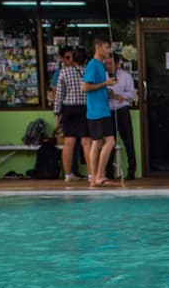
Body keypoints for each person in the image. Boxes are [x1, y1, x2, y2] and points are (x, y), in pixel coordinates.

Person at [82, 37, 119, 188]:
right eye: (106, 47)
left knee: (97, 142)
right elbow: (85, 87)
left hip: (99, 108)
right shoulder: (93, 64)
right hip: (98, 110)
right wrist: (106, 83)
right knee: (109, 142)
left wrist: (108, 90)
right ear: (97, 47)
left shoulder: (100, 65)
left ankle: (94, 178)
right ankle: (99, 175)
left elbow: (96, 87)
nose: (109, 51)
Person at [53, 45, 87, 183]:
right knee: (87, 142)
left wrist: (57, 112)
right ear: (85, 60)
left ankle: (68, 174)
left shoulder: (64, 72)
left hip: (69, 108)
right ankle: (91, 174)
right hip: (85, 107)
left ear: (73, 59)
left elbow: (59, 95)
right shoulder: (88, 72)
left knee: (68, 143)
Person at [105, 57, 138, 180]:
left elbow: (131, 94)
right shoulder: (103, 76)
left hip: (122, 110)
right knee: (109, 142)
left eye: (110, 63)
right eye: (106, 63)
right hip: (108, 111)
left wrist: (120, 95)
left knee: (128, 141)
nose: (108, 66)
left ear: (117, 64)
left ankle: (131, 171)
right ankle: (109, 172)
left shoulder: (125, 76)